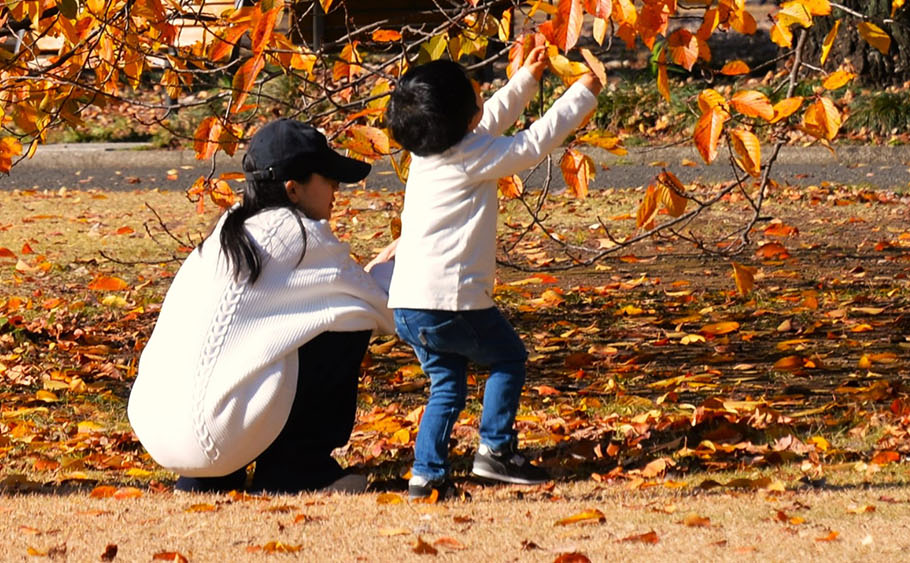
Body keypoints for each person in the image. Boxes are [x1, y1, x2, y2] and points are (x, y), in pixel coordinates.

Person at [128, 119, 393, 493]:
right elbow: (384, 310)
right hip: (215, 438)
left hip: (161, 431)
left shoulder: (226, 232)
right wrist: (392, 267)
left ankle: (207, 480)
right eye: (328, 178)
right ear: (293, 189)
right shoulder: (298, 235)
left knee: (291, 324)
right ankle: (299, 469)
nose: (336, 188)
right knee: (349, 317)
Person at [386, 37, 601, 499]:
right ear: (463, 116)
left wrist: (527, 79)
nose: (483, 92)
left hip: (408, 305)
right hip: (451, 302)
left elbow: (490, 118)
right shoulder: (469, 156)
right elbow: (532, 143)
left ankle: (426, 476)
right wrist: (583, 92)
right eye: (474, 91)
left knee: (446, 386)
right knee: (508, 358)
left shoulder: (428, 152)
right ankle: (496, 451)